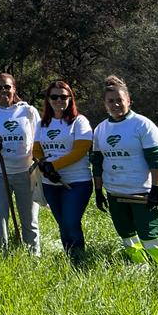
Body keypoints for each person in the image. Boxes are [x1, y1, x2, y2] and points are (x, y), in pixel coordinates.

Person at [90, 75, 158, 265]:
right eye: (111, 101)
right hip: (115, 193)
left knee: (149, 235)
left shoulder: (142, 125)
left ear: (128, 100)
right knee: (127, 235)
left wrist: (156, 189)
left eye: (120, 100)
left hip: (142, 192)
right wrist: (98, 191)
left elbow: (156, 158)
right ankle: (140, 267)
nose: (116, 104)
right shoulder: (100, 129)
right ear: (105, 104)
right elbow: (97, 163)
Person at [32, 80, 93, 264]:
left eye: (63, 96)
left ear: (70, 99)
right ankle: (69, 259)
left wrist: (54, 166)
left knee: (70, 222)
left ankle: (79, 261)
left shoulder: (79, 122)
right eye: (54, 96)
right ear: (48, 99)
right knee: (62, 224)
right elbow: (36, 149)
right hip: (50, 183)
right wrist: (43, 164)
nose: (59, 100)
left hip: (77, 182)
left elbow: (80, 150)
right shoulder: (42, 124)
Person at [0, 73, 41, 255]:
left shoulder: (28, 111)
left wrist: (38, 160)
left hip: (26, 172)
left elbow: (38, 139)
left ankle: (33, 254)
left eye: (7, 87)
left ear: (14, 88)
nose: (3, 91)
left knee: (29, 216)